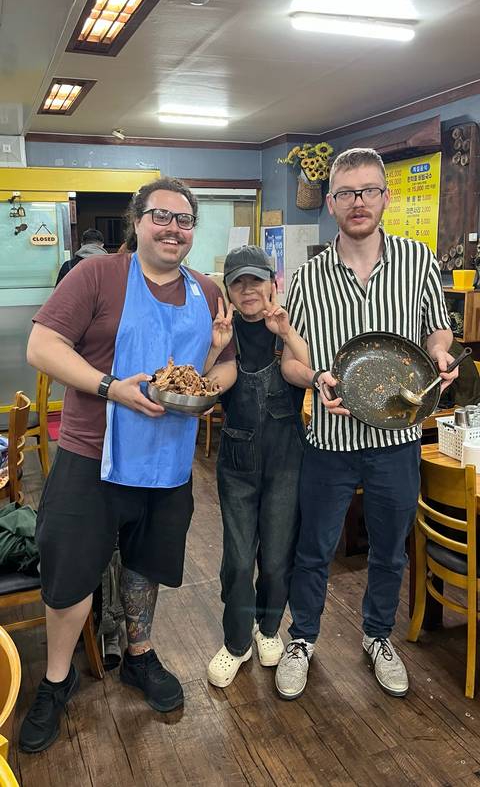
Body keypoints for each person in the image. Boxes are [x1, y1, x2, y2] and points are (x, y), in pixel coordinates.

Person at [20, 177, 237, 754]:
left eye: (185, 220)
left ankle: (140, 656)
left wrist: (205, 384)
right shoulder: (98, 276)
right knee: (69, 574)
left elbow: (225, 367)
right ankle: (57, 680)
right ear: (137, 221)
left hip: (167, 461)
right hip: (91, 455)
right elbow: (41, 346)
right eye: (161, 216)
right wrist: (110, 388)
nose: (174, 228)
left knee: (146, 564)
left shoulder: (206, 290)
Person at [274, 147, 458, 701]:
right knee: (314, 546)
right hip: (329, 440)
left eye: (369, 191)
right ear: (330, 203)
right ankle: (301, 639)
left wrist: (441, 357)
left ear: (386, 197)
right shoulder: (307, 276)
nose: (359, 202)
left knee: (390, 550)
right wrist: (314, 380)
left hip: (397, 438)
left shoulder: (418, 261)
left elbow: (437, 331)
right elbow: (290, 359)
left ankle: (378, 637)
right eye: (347, 193)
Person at [207, 246, 308, 687]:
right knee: (237, 557)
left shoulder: (284, 326)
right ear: (228, 291)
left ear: (273, 283)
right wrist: (215, 347)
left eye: (256, 280)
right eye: (238, 282)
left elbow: (308, 370)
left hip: (287, 460)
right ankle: (235, 642)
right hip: (236, 463)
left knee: (277, 557)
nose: (248, 289)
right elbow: (203, 384)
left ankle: (268, 629)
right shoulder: (221, 333)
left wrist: (286, 333)